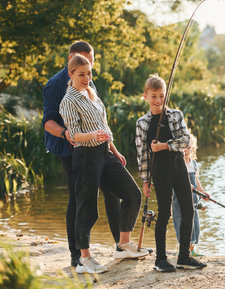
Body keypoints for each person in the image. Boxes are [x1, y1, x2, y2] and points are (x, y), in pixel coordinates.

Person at [60, 54, 148, 274]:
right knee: (88, 209)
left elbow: (104, 126)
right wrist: (91, 135)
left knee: (132, 194)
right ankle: (84, 259)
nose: (87, 78)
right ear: (71, 74)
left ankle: (123, 245)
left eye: (89, 73)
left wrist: (115, 151)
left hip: (105, 153)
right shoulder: (68, 101)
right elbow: (73, 134)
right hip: (85, 157)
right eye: (81, 74)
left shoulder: (91, 92)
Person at [42, 41, 123, 267]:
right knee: (77, 199)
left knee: (112, 192)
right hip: (69, 149)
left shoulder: (88, 78)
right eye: (80, 60)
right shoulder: (54, 85)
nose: (87, 70)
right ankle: (77, 255)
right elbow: (47, 122)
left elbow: (99, 118)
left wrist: (113, 147)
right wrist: (67, 134)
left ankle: (121, 245)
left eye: (90, 62)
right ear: (70, 61)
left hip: (98, 148)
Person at [136, 74, 207, 272]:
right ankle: (160, 259)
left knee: (188, 209)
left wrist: (165, 146)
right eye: (154, 96)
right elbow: (142, 155)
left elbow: (185, 141)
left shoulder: (176, 115)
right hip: (159, 171)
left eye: (162, 96)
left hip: (178, 166)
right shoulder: (142, 123)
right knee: (165, 212)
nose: (158, 101)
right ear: (146, 96)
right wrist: (145, 180)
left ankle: (184, 256)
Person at [172, 133, 208, 257]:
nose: (185, 150)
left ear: (192, 149)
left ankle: (192, 249)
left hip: (193, 200)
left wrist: (203, 193)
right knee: (182, 222)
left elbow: (196, 181)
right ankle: (184, 249)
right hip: (179, 200)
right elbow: (175, 181)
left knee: (195, 224)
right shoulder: (178, 163)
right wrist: (185, 185)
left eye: (188, 147)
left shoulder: (193, 164)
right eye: (183, 147)